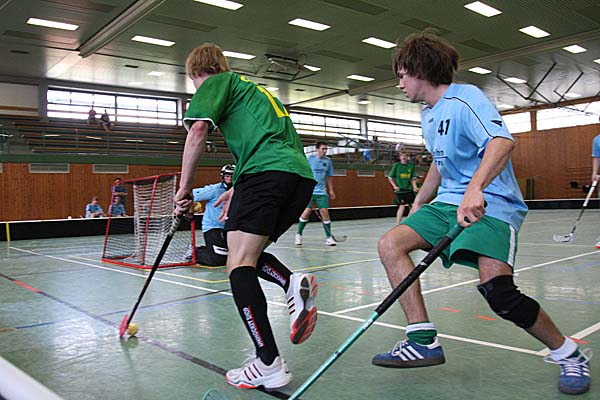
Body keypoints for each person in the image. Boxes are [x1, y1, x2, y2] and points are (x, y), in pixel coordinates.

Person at [371, 30, 591, 395]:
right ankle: (422, 340)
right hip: (447, 203)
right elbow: (440, 162)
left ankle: (569, 353)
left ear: (419, 70)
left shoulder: (465, 97)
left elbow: (501, 142)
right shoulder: (428, 116)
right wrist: (420, 202)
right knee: (390, 244)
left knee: (499, 293)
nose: (399, 84)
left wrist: (475, 189)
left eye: (402, 75)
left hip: (493, 203)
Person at [173, 43, 318, 391]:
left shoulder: (215, 82)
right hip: (297, 179)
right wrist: (237, 188)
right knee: (241, 253)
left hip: (264, 176)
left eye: (194, 81)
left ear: (199, 73)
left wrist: (184, 189)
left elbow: (197, 132)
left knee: (237, 265)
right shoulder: (257, 92)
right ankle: (291, 284)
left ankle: (268, 362)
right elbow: (270, 144)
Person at [295, 141, 337, 246]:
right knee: (306, 213)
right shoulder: (309, 159)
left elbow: (329, 176)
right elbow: (302, 172)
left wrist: (331, 190)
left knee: (325, 212)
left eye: (326, 149)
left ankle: (328, 238)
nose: (324, 151)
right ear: (317, 149)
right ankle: (298, 235)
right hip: (309, 190)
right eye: (323, 149)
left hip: (321, 191)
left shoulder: (328, 161)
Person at [388, 151, 419, 225]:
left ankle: (408, 221)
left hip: (409, 189)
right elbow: (390, 177)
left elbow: (413, 178)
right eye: (402, 156)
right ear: (400, 157)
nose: (404, 157)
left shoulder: (411, 166)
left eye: (405, 156)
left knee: (414, 205)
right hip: (400, 190)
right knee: (402, 205)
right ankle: (398, 223)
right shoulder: (396, 165)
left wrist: (414, 186)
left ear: (407, 157)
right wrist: (394, 186)